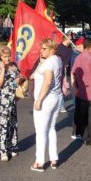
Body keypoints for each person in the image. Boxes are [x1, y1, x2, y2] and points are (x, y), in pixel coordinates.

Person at [31, 39, 64, 171]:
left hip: (46, 99)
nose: (41, 50)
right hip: (56, 97)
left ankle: (39, 162)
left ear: (51, 49)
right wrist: (40, 64)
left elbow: (47, 82)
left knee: (41, 130)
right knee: (51, 128)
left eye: (44, 48)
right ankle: (53, 158)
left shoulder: (49, 63)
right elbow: (33, 76)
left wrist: (39, 99)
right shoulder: (57, 60)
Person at [55, 34, 75, 114]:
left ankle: (76, 103)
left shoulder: (70, 48)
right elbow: (56, 59)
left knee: (72, 87)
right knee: (60, 89)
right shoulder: (59, 48)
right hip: (61, 71)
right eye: (70, 39)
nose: (72, 40)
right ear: (65, 39)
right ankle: (61, 106)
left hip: (70, 71)